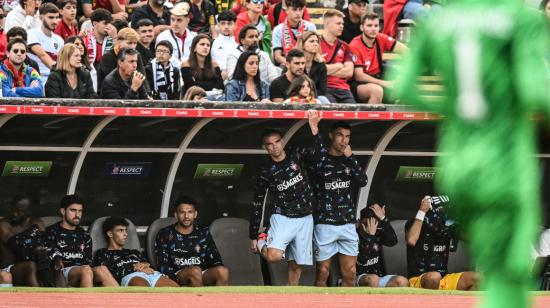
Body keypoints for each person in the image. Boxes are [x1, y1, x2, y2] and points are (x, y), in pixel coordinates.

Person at [249, 112, 320, 285]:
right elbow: (258, 202)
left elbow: (319, 155)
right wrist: (253, 235)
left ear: (282, 141)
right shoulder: (266, 171)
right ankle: (262, 239)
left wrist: (314, 129)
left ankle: (290, 296)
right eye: (269, 144)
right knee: (273, 256)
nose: (275, 146)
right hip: (283, 217)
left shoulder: (296, 154)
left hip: (305, 217)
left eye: (277, 141)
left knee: (297, 265)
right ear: (265, 147)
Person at [306, 114, 368, 287]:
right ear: (331, 136)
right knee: (323, 272)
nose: (344, 140)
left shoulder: (349, 160)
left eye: (348, 136)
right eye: (340, 135)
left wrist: (351, 157)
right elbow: (317, 160)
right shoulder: (320, 159)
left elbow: (363, 180)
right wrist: (315, 131)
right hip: (325, 223)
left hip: (347, 223)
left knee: (350, 273)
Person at [405, 196, 477, 290]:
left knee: (477, 279)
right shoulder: (417, 222)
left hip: (443, 278)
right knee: (434, 277)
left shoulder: (447, 226)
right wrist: (422, 211)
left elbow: (473, 238)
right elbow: (411, 240)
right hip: (420, 279)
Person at [45, 195, 118, 287]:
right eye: (73, 210)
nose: (77, 215)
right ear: (63, 211)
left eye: (80, 211)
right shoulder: (51, 232)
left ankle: (123, 300)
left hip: (84, 270)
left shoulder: (84, 235)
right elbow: (50, 259)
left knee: (102, 269)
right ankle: (87, 301)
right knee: (86, 270)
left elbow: (87, 261)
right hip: (61, 272)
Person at [155, 196, 229, 287]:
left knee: (223, 271)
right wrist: (174, 283)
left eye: (190, 212)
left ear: (195, 214)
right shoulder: (165, 233)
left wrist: (216, 270)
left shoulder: (203, 232)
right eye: (182, 212)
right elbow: (163, 265)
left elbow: (216, 260)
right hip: (177, 274)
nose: (186, 216)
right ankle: (200, 300)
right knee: (195, 271)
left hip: (201, 273)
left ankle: (219, 301)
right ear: (176, 215)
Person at [93, 216, 179, 287]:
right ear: (110, 234)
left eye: (126, 230)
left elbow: (151, 266)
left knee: (176, 290)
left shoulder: (134, 252)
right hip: (131, 276)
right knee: (144, 291)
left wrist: (146, 264)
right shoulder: (103, 253)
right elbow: (107, 275)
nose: (125, 234)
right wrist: (134, 267)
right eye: (120, 230)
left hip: (151, 274)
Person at [350, 12, 408, 104]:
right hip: (360, 84)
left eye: (376, 26)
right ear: (361, 28)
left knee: (408, 87)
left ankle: (400, 118)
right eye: (369, 25)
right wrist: (385, 83)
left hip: (378, 76)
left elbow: (405, 51)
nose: (373, 29)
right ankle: (371, 119)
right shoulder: (355, 45)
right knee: (377, 91)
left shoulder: (381, 38)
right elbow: (359, 76)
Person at [356, 205, 409, 288]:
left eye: (374, 224)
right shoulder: (353, 236)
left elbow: (393, 242)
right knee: (373, 279)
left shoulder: (377, 232)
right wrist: (370, 236)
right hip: (359, 277)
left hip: (378, 276)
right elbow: (363, 259)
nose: (370, 227)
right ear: (359, 222)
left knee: (402, 281)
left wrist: (383, 219)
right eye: (366, 224)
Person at [0, 196, 44, 287]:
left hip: (34, 263)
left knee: (52, 264)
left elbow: (43, 242)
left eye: (19, 211)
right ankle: (39, 298)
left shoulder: (37, 222)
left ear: (28, 212)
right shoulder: (4, 224)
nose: (14, 214)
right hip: (8, 267)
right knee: (30, 266)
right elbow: (16, 245)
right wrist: (34, 241)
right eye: (13, 210)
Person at [320, 9, 355, 104]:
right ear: (327, 24)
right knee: (333, 116)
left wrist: (325, 69)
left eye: (342, 24)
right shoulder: (315, 43)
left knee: (354, 116)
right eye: (338, 23)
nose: (342, 26)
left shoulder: (345, 46)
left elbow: (349, 72)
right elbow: (315, 70)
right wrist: (339, 65)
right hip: (324, 88)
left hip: (344, 89)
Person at [27, 3, 64, 83]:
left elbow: (62, 61)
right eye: (51, 17)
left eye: (57, 17)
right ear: (41, 18)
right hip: (36, 78)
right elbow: (42, 55)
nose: (55, 21)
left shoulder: (59, 40)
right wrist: (59, 74)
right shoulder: (31, 33)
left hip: (54, 78)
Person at [271, 0, 315, 67]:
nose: (298, 13)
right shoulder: (278, 30)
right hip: (287, 65)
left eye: (300, 10)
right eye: (294, 10)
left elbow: (315, 52)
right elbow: (277, 57)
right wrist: (293, 64)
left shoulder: (310, 27)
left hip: (307, 65)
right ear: (287, 10)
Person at [155, 2, 197, 67]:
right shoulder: (163, 37)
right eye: (172, 20)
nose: (175, 23)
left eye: (179, 20)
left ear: (187, 20)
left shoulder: (194, 37)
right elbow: (166, 60)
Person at [296, 31, 328, 103]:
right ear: (303, 45)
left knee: (323, 99)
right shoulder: (294, 62)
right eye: (311, 41)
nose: (315, 44)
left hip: (315, 97)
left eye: (317, 41)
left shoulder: (321, 64)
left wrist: (310, 96)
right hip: (295, 97)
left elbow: (323, 90)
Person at [211, 9, 237, 80]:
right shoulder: (212, 43)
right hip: (216, 77)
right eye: (223, 23)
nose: (226, 26)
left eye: (229, 23)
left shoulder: (238, 44)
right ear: (218, 25)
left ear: (235, 25)